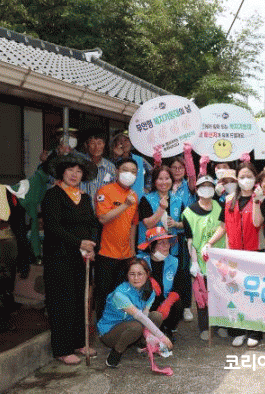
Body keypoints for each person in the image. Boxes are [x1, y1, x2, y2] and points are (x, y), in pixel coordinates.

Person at [41, 155, 100, 365]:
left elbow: (93, 224)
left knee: (80, 301)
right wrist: (79, 243)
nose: (74, 175)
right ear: (62, 172)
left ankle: (79, 342)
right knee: (62, 302)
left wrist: (92, 246)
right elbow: (53, 227)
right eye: (70, 170)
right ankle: (62, 349)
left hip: (81, 258)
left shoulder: (84, 197)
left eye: (79, 171)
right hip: (59, 257)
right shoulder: (53, 195)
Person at [206, 163, 265, 347]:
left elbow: (257, 223)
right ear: (237, 180)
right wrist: (209, 243)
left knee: (253, 293)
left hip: (254, 253)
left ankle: (255, 331)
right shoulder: (228, 199)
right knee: (236, 293)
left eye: (249, 176)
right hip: (234, 254)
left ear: (255, 179)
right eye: (242, 177)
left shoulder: (262, 199)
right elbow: (223, 227)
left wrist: (256, 201)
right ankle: (238, 331)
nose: (245, 180)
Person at [98, 257, 173, 368]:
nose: (136, 278)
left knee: (156, 316)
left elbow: (145, 314)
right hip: (110, 333)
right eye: (132, 274)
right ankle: (116, 352)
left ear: (147, 274)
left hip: (132, 325)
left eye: (140, 274)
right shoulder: (120, 293)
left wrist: (148, 336)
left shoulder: (150, 291)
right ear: (127, 275)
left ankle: (142, 343)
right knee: (136, 327)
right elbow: (140, 317)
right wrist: (162, 337)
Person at [95, 158, 140, 320]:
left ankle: (119, 326)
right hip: (106, 253)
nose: (129, 174)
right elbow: (103, 218)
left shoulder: (134, 195)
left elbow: (133, 225)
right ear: (117, 171)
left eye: (133, 172)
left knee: (122, 295)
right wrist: (125, 205)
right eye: (125, 170)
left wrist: (132, 251)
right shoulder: (105, 191)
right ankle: (103, 326)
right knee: (104, 294)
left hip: (126, 255)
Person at [182, 175, 226, 340]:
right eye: (203, 186)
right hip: (200, 259)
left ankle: (220, 325)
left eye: (209, 186)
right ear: (197, 189)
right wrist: (194, 262)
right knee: (202, 295)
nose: (206, 189)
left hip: (220, 260)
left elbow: (225, 229)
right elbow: (190, 239)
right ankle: (204, 327)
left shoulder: (220, 207)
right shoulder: (188, 212)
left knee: (219, 294)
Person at [137, 227, 182, 342]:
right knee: (148, 291)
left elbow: (179, 287)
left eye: (167, 242)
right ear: (151, 246)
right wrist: (148, 279)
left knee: (177, 304)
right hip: (146, 304)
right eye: (161, 243)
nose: (166, 246)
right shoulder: (139, 261)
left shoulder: (174, 261)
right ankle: (147, 329)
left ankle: (169, 328)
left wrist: (168, 302)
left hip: (164, 301)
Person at [168, 156, 196, 322]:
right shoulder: (165, 184)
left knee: (184, 271)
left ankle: (186, 306)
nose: (177, 170)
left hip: (184, 236)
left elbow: (193, 177)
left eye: (181, 167)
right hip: (166, 236)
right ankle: (170, 305)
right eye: (174, 167)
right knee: (169, 270)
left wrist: (188, 155)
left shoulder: (190, 186)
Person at [79, 130, 116, 208]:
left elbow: (114, 192)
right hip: (82, 210)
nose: (96, 147)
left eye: (99, 143)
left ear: (104, 145)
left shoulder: (110, 167)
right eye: (92, 143)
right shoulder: (79, 164)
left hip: (103, 210)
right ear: (86, 145)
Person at [111, 130, 152, 199]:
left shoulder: (140, 160)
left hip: (137, 199)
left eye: (126, 140)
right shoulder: (112, 161)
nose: (123, 143)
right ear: (115, 144)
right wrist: (116, 157)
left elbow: (151, 171)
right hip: (117, 200)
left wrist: (147, 188)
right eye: (120, 141)